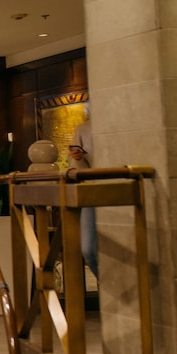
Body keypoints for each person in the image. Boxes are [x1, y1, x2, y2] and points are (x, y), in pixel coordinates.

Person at [68, 114, 97, 278]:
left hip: (121, 188)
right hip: (92, 192)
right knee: (88, 249)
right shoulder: (83, 129)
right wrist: (76, 158)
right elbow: (75, 167)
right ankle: (106, 284)